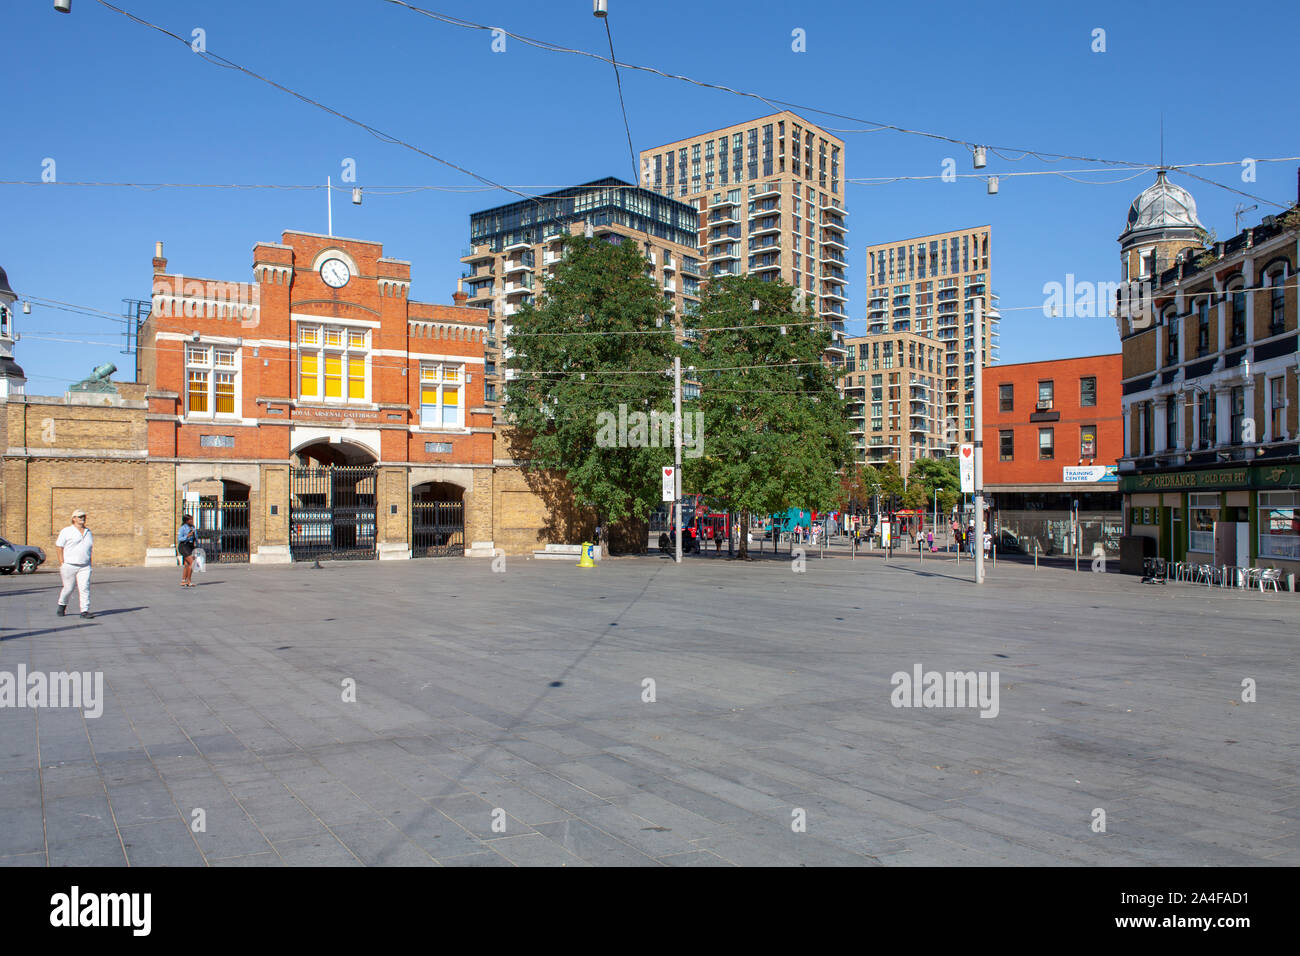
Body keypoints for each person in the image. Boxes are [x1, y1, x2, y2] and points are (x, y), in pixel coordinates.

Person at [55, 508, 94, 619]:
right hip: (69, 565)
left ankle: (84, 611)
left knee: (84, 587)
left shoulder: (88, 532)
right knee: (68, 588)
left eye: (84, 516)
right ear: (73, 518)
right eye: (80, 516)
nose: (82, 518)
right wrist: (62, 563)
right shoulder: (66, 531)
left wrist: (89, 562)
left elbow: (89, 548)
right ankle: (62, 605)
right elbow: (59, 547)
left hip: (85, 566)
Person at [178, 514, 198, 587]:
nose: (192, 521)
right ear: (186, 521)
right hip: (183, 545)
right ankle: (188, 581)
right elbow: (179, 538)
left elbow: (196, 537)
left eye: (192, 519)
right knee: (192, 563)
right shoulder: (182, 528)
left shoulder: (193, 528)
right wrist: (187, 536)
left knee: (187, 564)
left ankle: (183, 581)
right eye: (190, 520)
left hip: (191, 546)